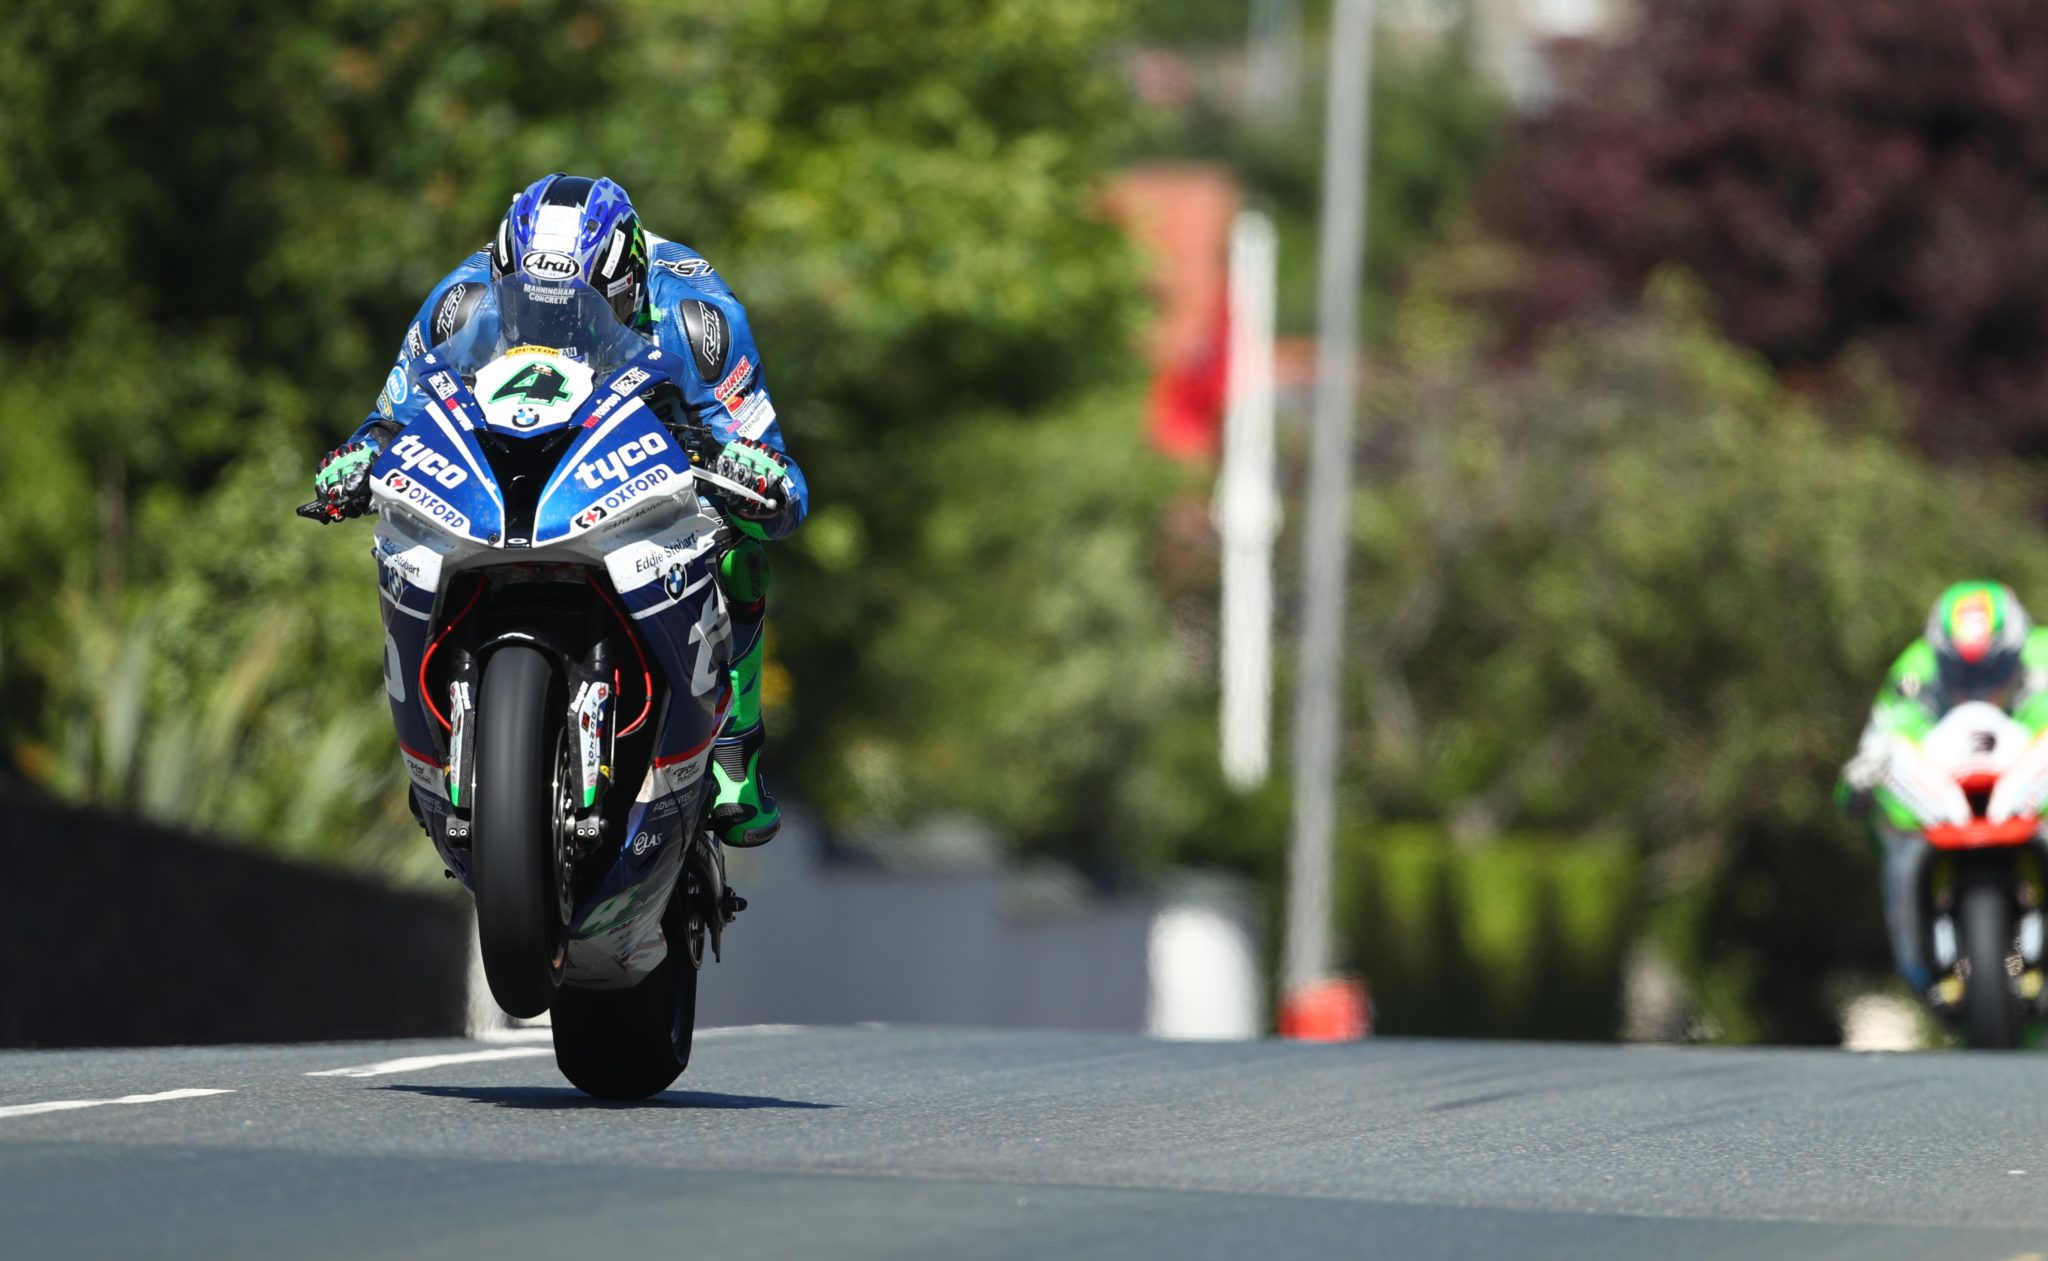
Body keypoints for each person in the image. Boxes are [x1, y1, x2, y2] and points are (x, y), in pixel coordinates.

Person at [309, 173, 805, 847]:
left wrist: (757, 473)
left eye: (581, 308)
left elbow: (768, 461)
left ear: (629, 284)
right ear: (505, 274)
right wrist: (359, 456)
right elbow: (393, 413)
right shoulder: (463, 301)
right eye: (534, 308)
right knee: (399, 543)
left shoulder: (698, 314)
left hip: (644, 483)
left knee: (740, 549)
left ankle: (733, 759)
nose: (558, 325)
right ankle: (436, 745)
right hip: (511, 474)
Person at [1837, 581, 2048, 993]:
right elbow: (1881, 736)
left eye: (1993, 668)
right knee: (1894, 837)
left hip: (2028, 798)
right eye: (1960, 670)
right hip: (1944, 804)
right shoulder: (1914, 668)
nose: (1977, 682)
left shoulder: (2043, 654)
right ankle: (1920, 953)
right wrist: (1861, 779)